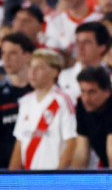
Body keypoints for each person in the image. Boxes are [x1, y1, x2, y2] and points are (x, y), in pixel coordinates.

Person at [9, 49, 77, 170]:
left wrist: (58, 176)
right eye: (31, 67)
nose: (33, 72)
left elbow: (72, 142)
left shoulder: (63, 100)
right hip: (29, 176)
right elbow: (19, 143)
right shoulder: (25, 101)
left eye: (40, 68)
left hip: (53, 177)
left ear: (55, 72)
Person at [0, 33, 34, 167]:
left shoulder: (42, 90)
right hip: (4, 168)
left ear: (28, 55)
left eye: (13, 53)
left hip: (38, 167)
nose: (6, 58)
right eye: (3, 53)